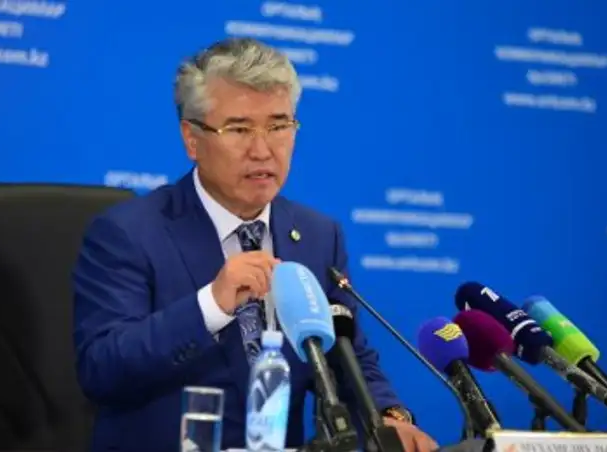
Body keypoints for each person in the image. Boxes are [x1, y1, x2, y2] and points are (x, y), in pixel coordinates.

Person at [72, 37, 438, 452]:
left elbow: (349, 358)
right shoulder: (129, 233)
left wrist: (388, 417)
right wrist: (211, 305)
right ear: (192, 139)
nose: (262, 150)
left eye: (278, 126)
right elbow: (101, 369)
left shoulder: (318, 236)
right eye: (239, 129)